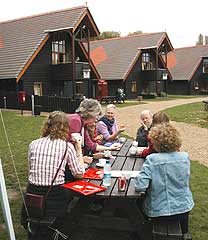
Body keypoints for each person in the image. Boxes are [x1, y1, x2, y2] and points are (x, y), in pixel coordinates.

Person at [21, 111, 85, 239]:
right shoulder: (67, 147)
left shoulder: (33, 144)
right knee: (71, 193)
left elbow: (30, 170)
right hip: (54, 195)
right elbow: (79, 174)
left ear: (47, 125)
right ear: (65, 127)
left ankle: (35, 230)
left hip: (32, 192)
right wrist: (78, 147)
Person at [135, 123, 194, 236]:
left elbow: (140, 186)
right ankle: (185, 232)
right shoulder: (184, 157)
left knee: (138, 203)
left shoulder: (152, 159)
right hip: (184, 207)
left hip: (158, 211)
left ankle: (143, 231)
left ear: (156, 141)